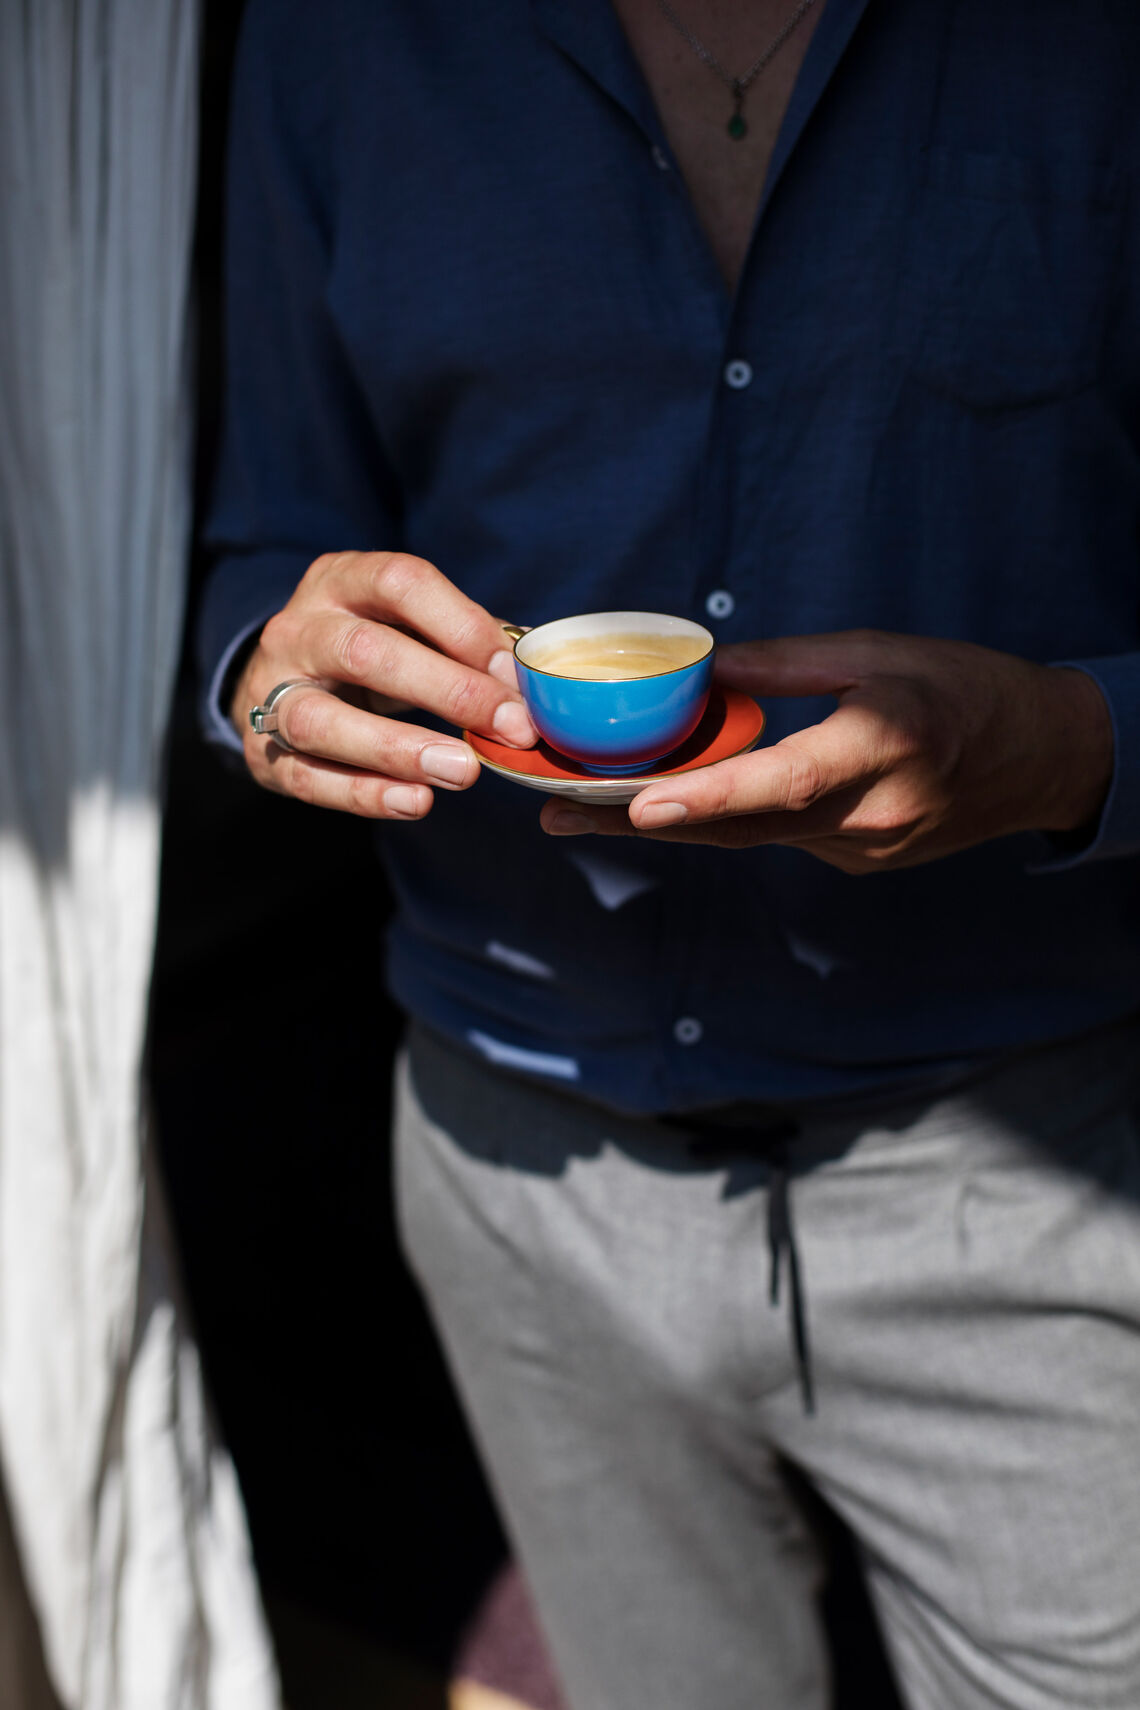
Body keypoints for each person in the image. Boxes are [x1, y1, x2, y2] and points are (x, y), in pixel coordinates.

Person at [199, 1, 1140, 1705]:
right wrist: (262, 672)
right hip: (519, 1178)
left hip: (1043, 1173)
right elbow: (265, 534)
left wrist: (1076, 742)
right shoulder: (337, 37)